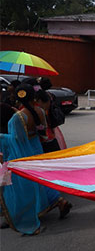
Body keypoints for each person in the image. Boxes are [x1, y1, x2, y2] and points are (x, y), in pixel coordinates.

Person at [0, 84, 72, 235]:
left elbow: (17, 140)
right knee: (39, 179)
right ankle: (59, 201)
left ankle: (27, 215)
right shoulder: (40, 111)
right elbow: (43, 135)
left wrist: (1, 138)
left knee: (25, 185)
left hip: (23, 153)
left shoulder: (18, 117)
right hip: (37, 149)